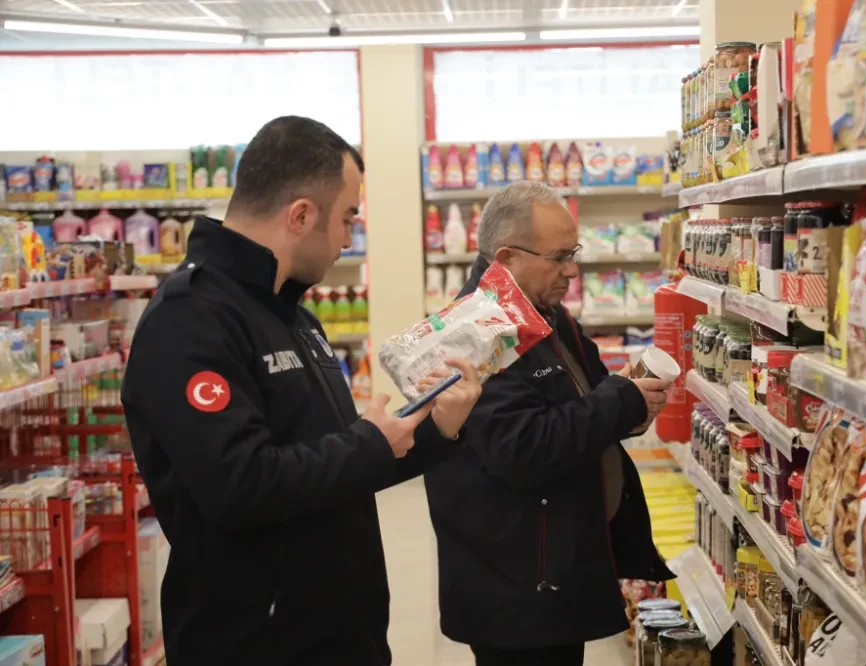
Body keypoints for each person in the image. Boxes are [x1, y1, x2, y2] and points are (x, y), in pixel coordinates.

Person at [121, 116, 482, 666]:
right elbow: (239, 485)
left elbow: (331, 465)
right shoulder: (191, 319)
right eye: (347, 218)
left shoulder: (293, 315)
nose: (349, 237)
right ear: (301, 215)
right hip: (256, 643)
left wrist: (438, 430)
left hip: (335, 636)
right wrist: (368, 442)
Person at [424, 181, 676, 666]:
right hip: (516, 589)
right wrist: (618, 404)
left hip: (549, 572)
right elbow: (520, 448)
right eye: (560, 257)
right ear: (506, 258)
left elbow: (590, 393)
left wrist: (632, 404)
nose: (573, 270)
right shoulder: (477, 331)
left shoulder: (545, 313)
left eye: (574, 252)